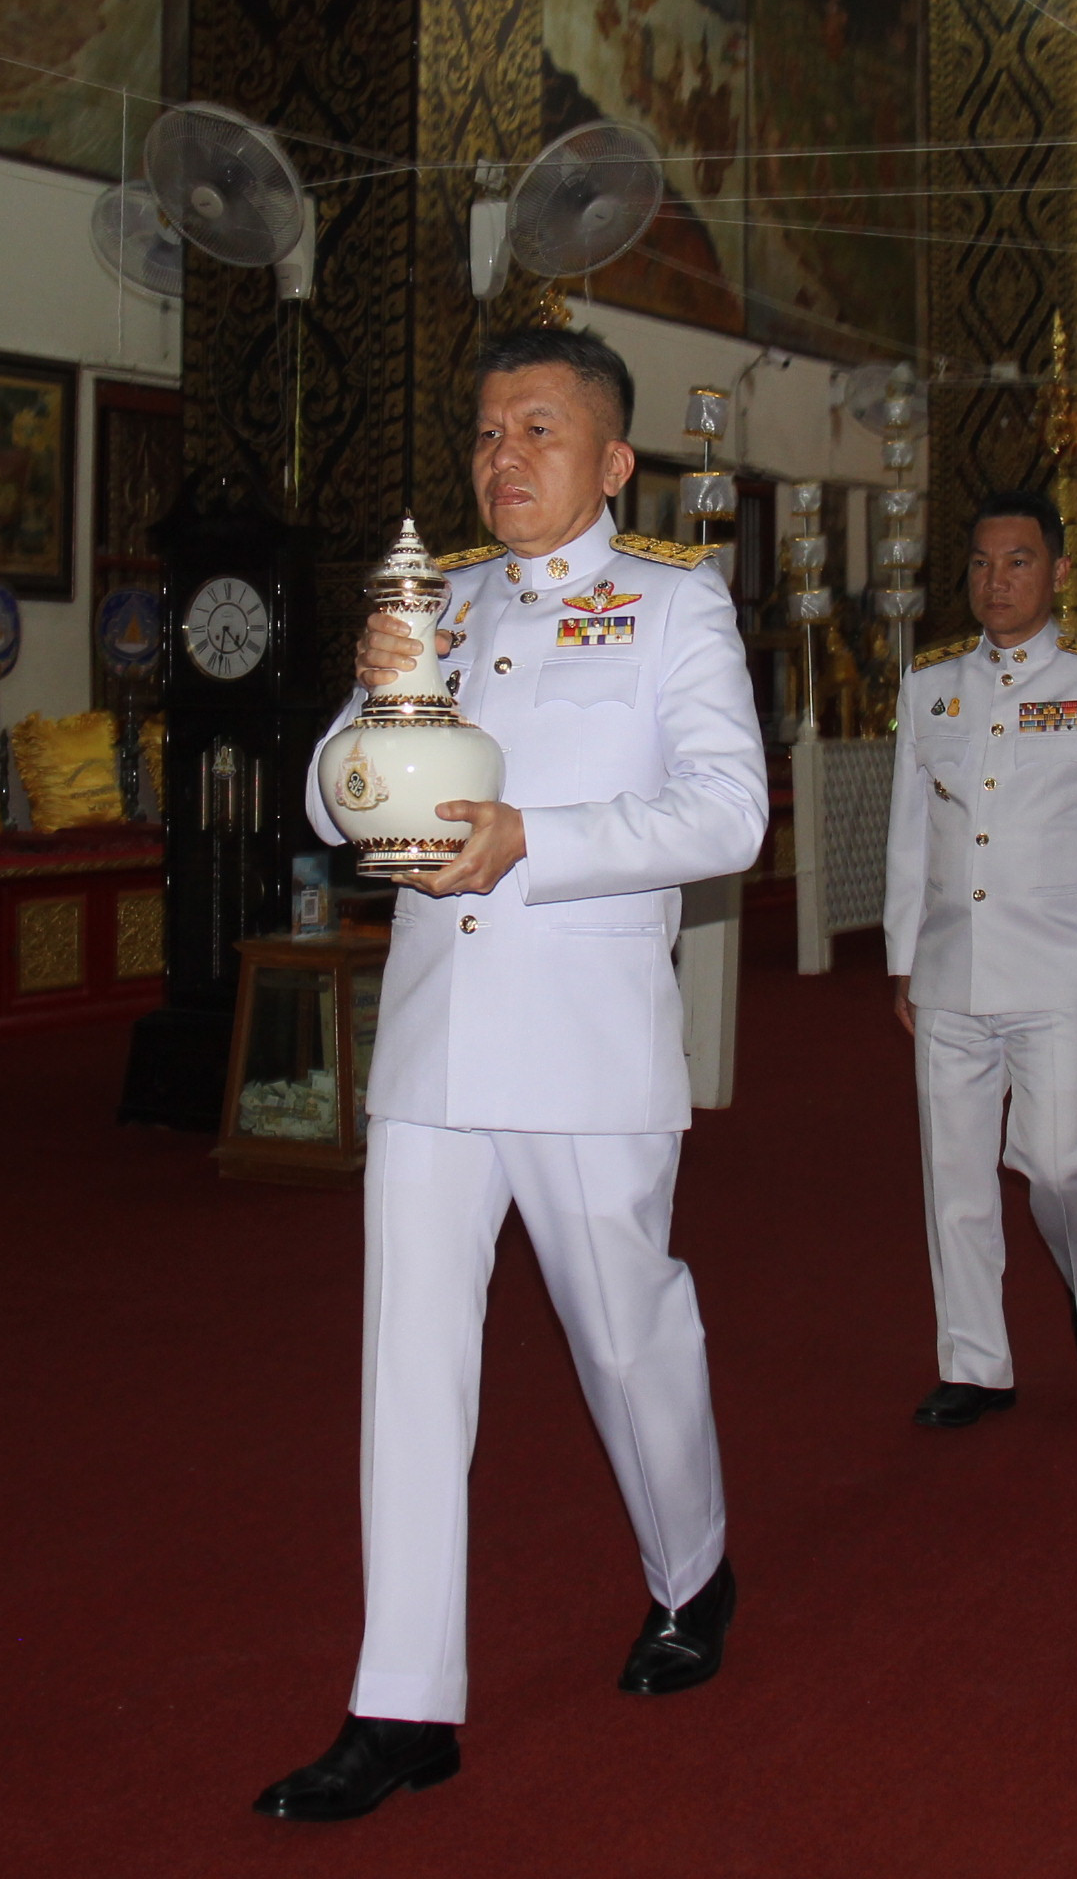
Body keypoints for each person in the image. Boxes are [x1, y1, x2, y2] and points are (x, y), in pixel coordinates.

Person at [257, 326, 765, 1825]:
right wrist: (368, 700)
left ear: (612, 461)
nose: (503, 459)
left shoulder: (675, 606)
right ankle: (403, 1704)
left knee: (625, 1338)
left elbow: (728, 814)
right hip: (431, 1045)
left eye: (537, 431)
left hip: (585, 1049)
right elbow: (337, 795)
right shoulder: (443, 604)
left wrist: (537, 837)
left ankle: (694, 1567)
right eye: (486, 432)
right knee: (408, 1372)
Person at [882, 492, 1077, 1429]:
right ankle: (975, 1363)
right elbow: (911, 835)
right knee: (954, 1176)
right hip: (952, 968)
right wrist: (900, 958)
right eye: (980, 563)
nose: (995, 581)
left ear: (1056, 572)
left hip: (1061, 969)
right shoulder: (930, 683)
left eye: (1016, 562)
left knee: (1057, 1164)